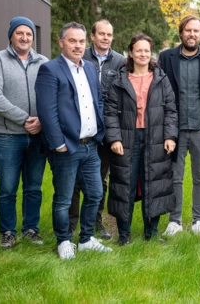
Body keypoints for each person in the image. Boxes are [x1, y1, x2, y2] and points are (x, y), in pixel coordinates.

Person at [35, 22, 112, 259]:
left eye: (81, 41)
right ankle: (64, 240)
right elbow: (47, 111)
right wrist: (58, 143)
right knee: (64, 198)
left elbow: (98, 99)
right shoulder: (50, 70)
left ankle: (87, 238)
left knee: (95, 194)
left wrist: (99, 130)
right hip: (66, 147)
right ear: (61, 43)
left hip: (91, 145)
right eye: (72, 41)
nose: (78, 46)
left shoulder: (89, 68)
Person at [104, 33, 178, 245]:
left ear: (150, 53)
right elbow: (109, 112)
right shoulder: (119, 80)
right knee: (123, 184)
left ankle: (151, 233)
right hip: (127, 139)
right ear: (131, 53)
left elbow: (171, 110)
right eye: (139, 50)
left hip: (155, 138)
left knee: (154, 184)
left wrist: (170, 135)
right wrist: (115, 138)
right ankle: (124, 235)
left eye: (147, 50)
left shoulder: (161, 79)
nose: (143, 54)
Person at [158, 15, 200, 238]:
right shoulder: (166, 57)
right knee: (174, 176)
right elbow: (160, 92)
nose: (192, 34)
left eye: (196, 31)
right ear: (181, 33)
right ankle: (175, 221)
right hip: (174, 130)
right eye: (188, 30)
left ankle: (199, 221)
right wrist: (166, 126)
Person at [0, 16, 48, 249]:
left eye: (29, 34)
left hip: (38, 135)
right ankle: (8, 232)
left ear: (33, 37)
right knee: (8, 188)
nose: (24, 37)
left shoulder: (43, 62)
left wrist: (42, 121)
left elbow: (51, 95)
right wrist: (24, 119)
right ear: (11, 35)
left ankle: (31, 229)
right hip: (8, 136)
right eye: (20, 33)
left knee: (33, 187)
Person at [69, 19, 126, 240]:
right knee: (73, 179)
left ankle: (95, 221)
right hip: (81, 128)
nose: (105, 38)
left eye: (109, 35)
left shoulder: (120, 61)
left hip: (106, 130)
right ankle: (71, 222)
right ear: (92, 36)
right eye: (101, 34)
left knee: (100, 179)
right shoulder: (81, 57)